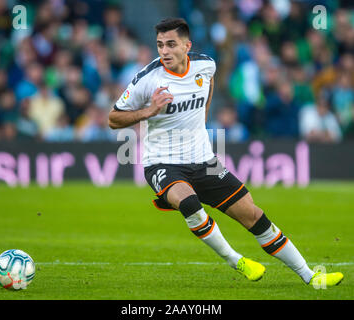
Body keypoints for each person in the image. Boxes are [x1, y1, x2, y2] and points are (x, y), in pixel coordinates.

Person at [108, 18, 343, 287]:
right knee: (189, 204)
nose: (164, 51)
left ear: (187, 46)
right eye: (160, 45)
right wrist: (149, 111)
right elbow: (114, 118)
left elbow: (206, 88)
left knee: (254, 215)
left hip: (204, 160)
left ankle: (311, 276)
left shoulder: (205, 65)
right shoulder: (147, 80)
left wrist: (201, 121)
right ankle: (237, 261)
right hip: (162, 162)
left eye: (171, 44)